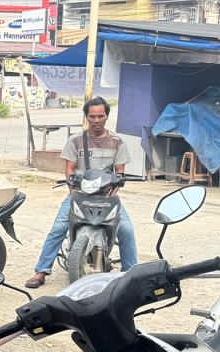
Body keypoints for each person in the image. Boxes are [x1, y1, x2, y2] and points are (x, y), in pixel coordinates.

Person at [25, 96, 136, 289]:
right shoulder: (75, 141)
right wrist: (73, 189)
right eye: (92, 116)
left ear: (106, 116)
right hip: (79, 195)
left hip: (107, 196)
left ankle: (131, 274)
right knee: (58, 228)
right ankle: (41, 271)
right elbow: (69, 170)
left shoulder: (117, 142)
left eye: (100, 116)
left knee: (126, 230)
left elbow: (120, 173)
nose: (96, 121)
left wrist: (115, 187)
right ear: (86, 117)